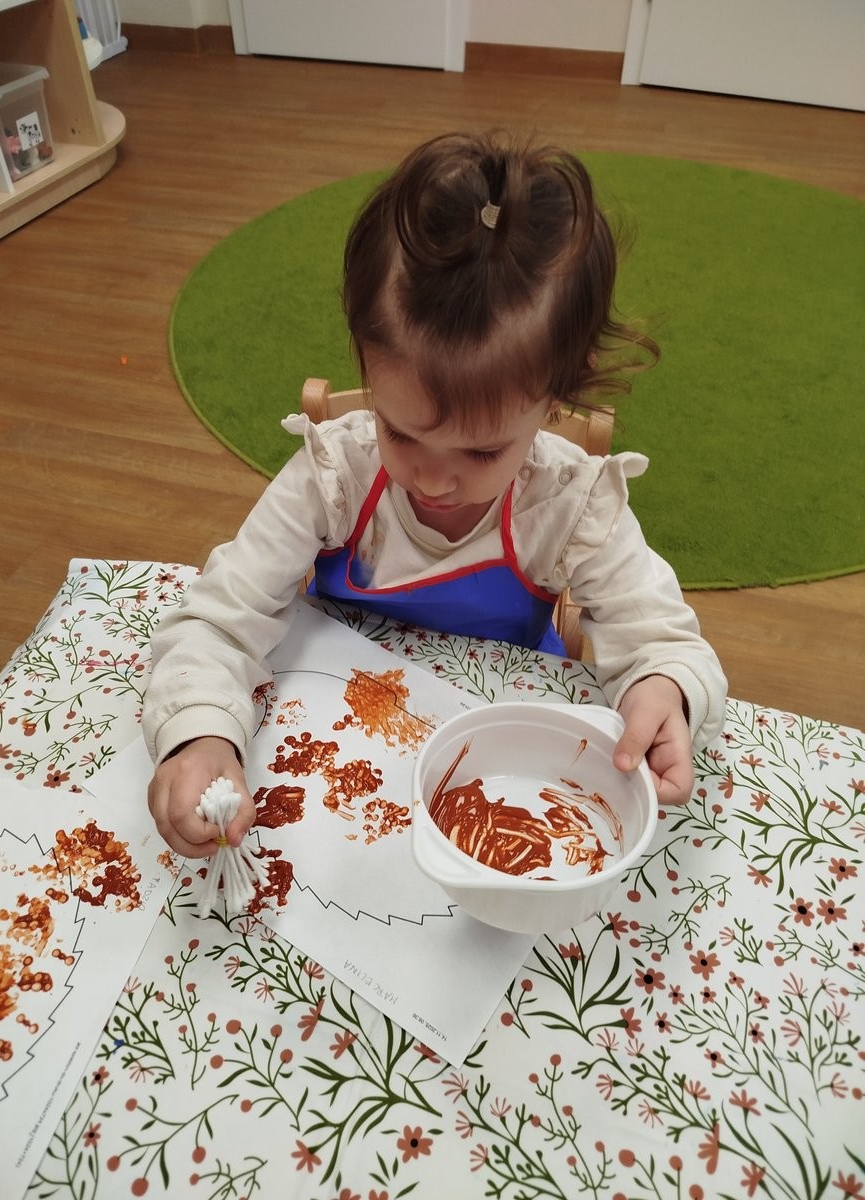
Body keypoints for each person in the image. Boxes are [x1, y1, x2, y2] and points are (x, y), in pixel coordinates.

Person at [143, 130, 727, 859]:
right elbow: (218, 622)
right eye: (400, 430)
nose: (433, 478)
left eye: (482, 451)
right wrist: (198, 731)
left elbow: (664, 641)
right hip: (335, 767)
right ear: (366, 362)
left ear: (554, 399)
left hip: (496, 773)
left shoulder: (569, 505)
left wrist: (661, 690)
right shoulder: (335, 475)